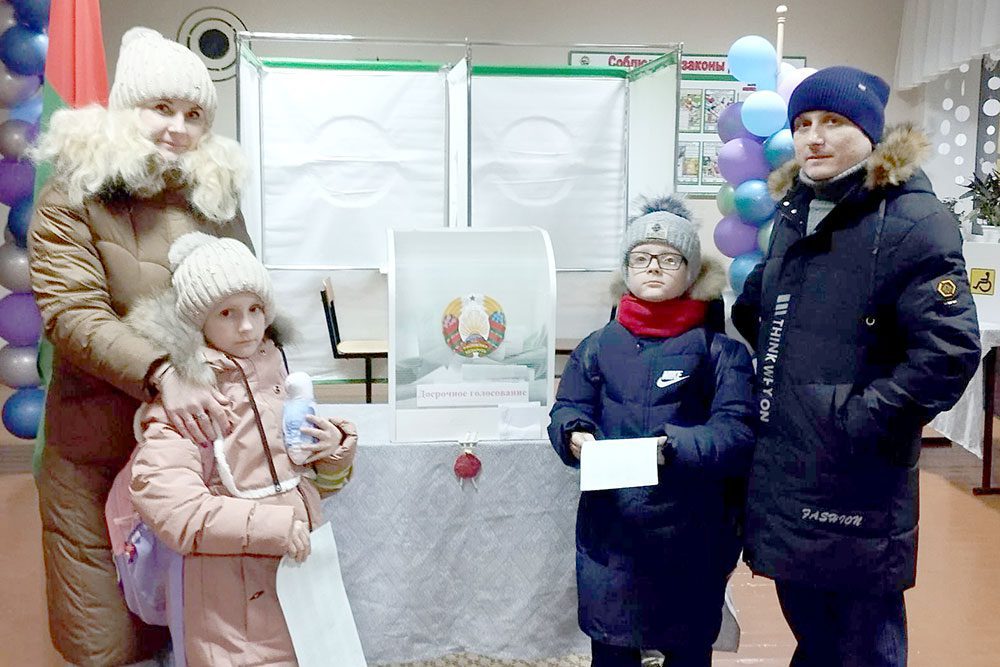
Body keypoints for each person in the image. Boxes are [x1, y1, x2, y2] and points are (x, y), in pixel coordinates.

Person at [731, 66, 981, 666]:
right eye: (802, 124)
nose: (813, 137)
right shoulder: (797, 213)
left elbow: (949, 350)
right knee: (815, 635)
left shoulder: (913, 220)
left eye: (833, 122)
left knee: (864, 644)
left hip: (857, 474)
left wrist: (856, 419)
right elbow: (764, 309)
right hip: (791, 465)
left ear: (869, 133)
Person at [28, 27, 253, 666]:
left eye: (194, 115)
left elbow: (245, 304)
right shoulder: (71, 195)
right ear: (128, 108)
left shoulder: (215, 201)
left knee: (197, 626)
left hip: (198, 450)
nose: (179, 129)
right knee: (110, 639)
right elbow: (72, 314)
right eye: (162, 108)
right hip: (97, 449)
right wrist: (164, 373)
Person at [121, 232, 356, 666]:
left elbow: (315, 483)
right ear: (197, 322)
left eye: (255, 309)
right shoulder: (188, 403)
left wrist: (333, 450)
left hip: (301, 585)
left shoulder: (275, 378)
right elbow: (172, 507)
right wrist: (272, 526)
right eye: (226, 313)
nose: (246, 327)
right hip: (229, 600)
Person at [548, 196, 755, 667]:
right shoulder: (596, 347)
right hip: (611, 530)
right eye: (641, 258)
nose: (653, 268)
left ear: (692, 272)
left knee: (688, 649)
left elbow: (737, 432)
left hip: (692, 530)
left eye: (669, 258)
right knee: (612, 648)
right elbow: (568, 407)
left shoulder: (721, 354)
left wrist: (673, 446)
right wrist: (572, 433)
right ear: (625, 270)